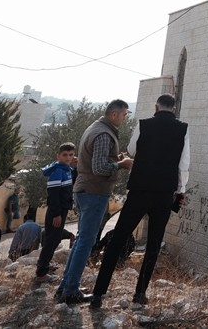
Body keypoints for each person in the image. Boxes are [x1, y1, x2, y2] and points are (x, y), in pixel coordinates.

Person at [91, 94, 189, 310]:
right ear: (174, 109)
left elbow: (132, 150)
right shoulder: (183, 129)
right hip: (164, 192)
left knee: (118, 238)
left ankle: (98, 294)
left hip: (140, 189)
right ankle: (140, 293)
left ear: (156, 107)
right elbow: (184, 164)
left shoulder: (143, 125)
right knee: (154, 243)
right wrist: (180, 191)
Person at [57, 100, 133, 304]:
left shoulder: (96, 128)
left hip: (85, 189)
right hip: (94, 191)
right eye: (125, 114)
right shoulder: (104, 134)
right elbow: (99, 168)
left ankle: (66, 285)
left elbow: (96, 160)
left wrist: (114, 158)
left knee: (83, 239)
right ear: (115, 114)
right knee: (86, 242)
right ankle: (70, 290)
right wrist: (122, 164)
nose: (126, 118)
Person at [36, 142, 77, 284]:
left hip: (62, 210)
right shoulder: (57, 170)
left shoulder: (66, 169)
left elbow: (72, 183)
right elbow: (53, 195)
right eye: (65, 155)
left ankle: (44, 267)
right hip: (57, 211)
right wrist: (56, 214)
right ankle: (41, 274)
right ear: (58, 156)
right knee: (51, 241)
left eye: (71, 155)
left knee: (54, 240)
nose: (68, 157)